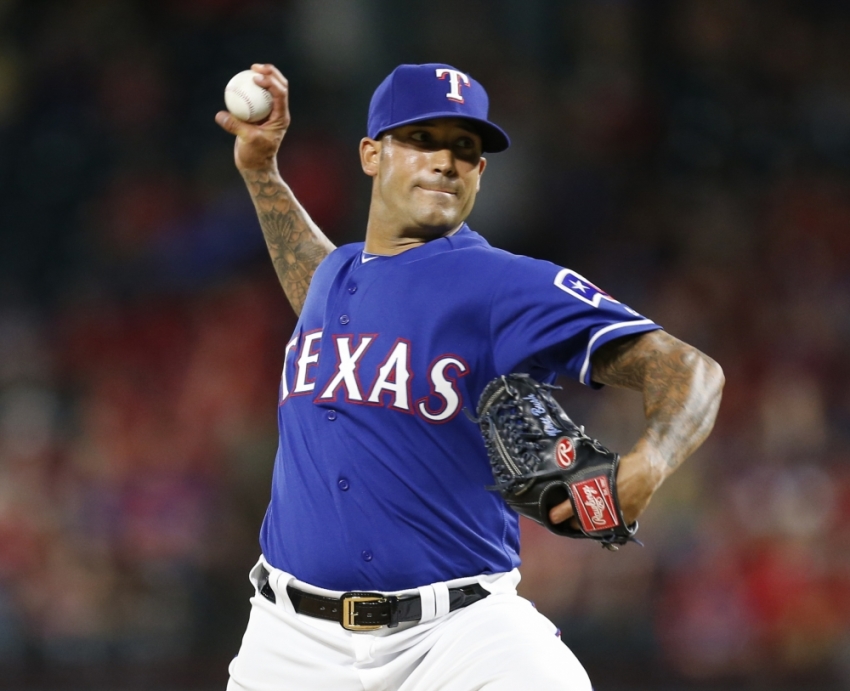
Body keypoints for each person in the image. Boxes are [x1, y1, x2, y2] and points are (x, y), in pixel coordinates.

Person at [215, 62, 724, 691]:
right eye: (422, 139)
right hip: (288, 642)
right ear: (372, 155)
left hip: (457, 636)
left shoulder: (505, 284)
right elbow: (317, 279)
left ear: (480, 173)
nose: (445, 161)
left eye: (465, 148)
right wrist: (262, 173)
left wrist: (647, 466)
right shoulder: (339, 278)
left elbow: (690, 370)